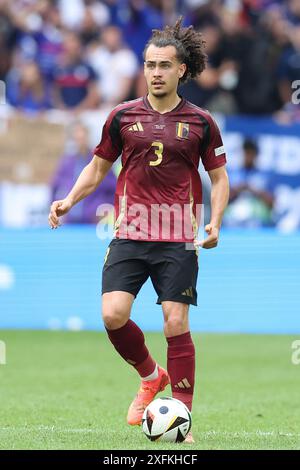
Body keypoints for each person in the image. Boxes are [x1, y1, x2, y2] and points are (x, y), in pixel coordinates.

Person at [48, 17, 229, 444]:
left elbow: (219, 178)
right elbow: (97, 169)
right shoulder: (122, 116)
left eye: (164, 65)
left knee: (174, 321)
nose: (156, 73)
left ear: (181, 69)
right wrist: (69, 200)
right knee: (112, 315)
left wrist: (215, 222)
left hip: (177, 238)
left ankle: (182, 420)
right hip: (129, 231)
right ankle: (151, 375)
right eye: (150, 65)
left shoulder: (201, 122)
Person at [225, 138, 274, 228]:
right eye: (246, 153)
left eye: (251, 153)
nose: (249, 157)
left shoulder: (265, 176)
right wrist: (238, 189)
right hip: (234, 218)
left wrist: (254, 190)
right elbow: (221, 200)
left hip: (257, 218)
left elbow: (272, 203)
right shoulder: (231, 173)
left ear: (256, 155)